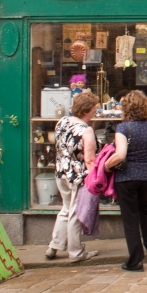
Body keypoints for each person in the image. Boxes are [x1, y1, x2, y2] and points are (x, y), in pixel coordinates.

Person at [105, 90, 147, 272]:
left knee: (130, 217)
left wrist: (106, 165)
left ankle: (135, 260)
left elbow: (120, 154)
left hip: (127, 177)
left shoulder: (123, 128)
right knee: (146, 208)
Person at [46, 90, 100, 263]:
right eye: (94, 109)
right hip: (78, 176)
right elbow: (89, 159)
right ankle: (76, 252)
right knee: (76, 213)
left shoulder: (62, 121)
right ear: (86, 110)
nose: (95, 112)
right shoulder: (86, 130)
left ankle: (54, 246)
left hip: (61, 172)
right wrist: (96, 179)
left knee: (66, 208)